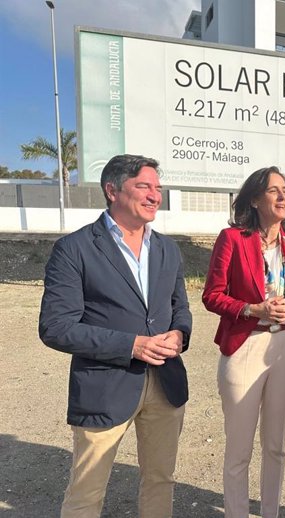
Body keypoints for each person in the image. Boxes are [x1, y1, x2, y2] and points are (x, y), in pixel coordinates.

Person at [38, 154, 192, 518]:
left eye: (158, 187)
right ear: (112, 190)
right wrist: (132, 346)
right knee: (87, 489)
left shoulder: (168, 248)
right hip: (105, 385)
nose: (155, 195)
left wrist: (180, 335)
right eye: (144, 186)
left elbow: (179, 307)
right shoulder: (74, 249)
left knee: (161, 479)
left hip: (166, 382)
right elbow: (56, 327)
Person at [202, 166, 285, 518]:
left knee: (276, 446)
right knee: (239, 449)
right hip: (244, 345)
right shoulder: (232, 238)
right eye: (273, 191)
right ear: (254, 199)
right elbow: (212, 295)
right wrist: (252, 308)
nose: (283, 197)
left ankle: (270, 513)